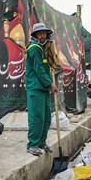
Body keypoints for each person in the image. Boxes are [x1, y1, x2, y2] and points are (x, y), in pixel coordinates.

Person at [25, 23, 57, 156]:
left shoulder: (42, 49)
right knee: (37, 117)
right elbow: (38, 69)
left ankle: (41, 142)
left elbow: (44, 68)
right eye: (40, 33)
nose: (42, 35)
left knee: (46, 118)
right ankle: (32, 144)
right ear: (35, 35)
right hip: (36, 88)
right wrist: (50, 84)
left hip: (42, 89)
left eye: (44, 33)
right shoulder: (34, 48)